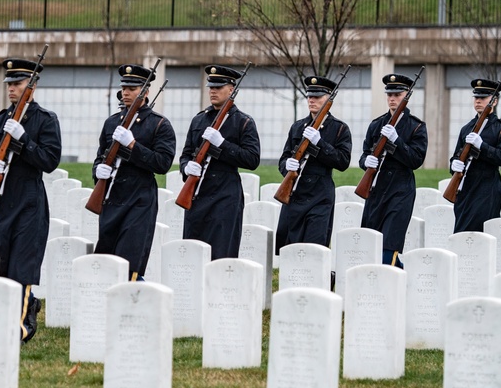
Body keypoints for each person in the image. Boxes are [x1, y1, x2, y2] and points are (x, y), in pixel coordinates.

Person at [0, 57, 62, 343]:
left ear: (32, 85)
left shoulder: (45, 120)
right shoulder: (1, 119)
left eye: (17, 84)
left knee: (21, 267)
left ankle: (22, 326)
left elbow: (50, 160)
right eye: (9, 84)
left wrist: (24, 140)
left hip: (29, 202)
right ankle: (4, 316)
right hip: (2, 201)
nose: (11, 89)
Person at [92, 64, 176, 280]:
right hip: (112, 198)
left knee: (130, 264)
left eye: (132, 88)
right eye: (124, 87)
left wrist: (133, 146)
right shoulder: (111, 122)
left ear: (145, 92)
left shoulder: (159, 124)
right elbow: (101, 156)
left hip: (139, 200)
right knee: (106, 261)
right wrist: (98, 171)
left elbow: (162, 163)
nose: (126, 92)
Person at [179, 65, 261, 260]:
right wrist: (185, 167)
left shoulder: (243, 122)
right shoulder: (199, 120)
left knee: (221, 255)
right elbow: (186, 154)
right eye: (211, 87)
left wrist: (222, 144)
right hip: (198, 194)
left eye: (218, 87)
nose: (212, 91)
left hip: (226, 197)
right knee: (193, 255)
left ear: (231, 89)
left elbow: (252, 159)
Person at [275, 75, 353, 252]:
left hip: (320, 195)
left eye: (317, 96)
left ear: (328, 99)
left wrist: (319, 143)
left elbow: (343, 161)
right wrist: (287, 165)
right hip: (295, 193)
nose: (312, 100)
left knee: (315, 247)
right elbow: (283, 158)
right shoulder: (298, 126)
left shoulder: (339, 128)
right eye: (309, 96)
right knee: (288, 244)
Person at [359, 73, 428, 268]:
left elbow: (416, 160)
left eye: (397, 94)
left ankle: (390, 282)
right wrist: (367, 161)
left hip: (400, 191)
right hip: (377, 190)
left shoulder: (416, 127)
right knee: (372, 243)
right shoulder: (376, 124)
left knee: (390, 245)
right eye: (389, 94)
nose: (392, 98)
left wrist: (397, 141)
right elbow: (363, 155)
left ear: (406, 96)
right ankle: (399, 275)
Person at [449, 78, 501, 233]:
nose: (478, 101)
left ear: (494, 101)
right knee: (462, 234)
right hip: (466, 189)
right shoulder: (466, 128)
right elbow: (456, 155)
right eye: (476, 97)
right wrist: (454, 164)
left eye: (483, 97)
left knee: (482, 235)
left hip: (487, 190)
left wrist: (482, 146)